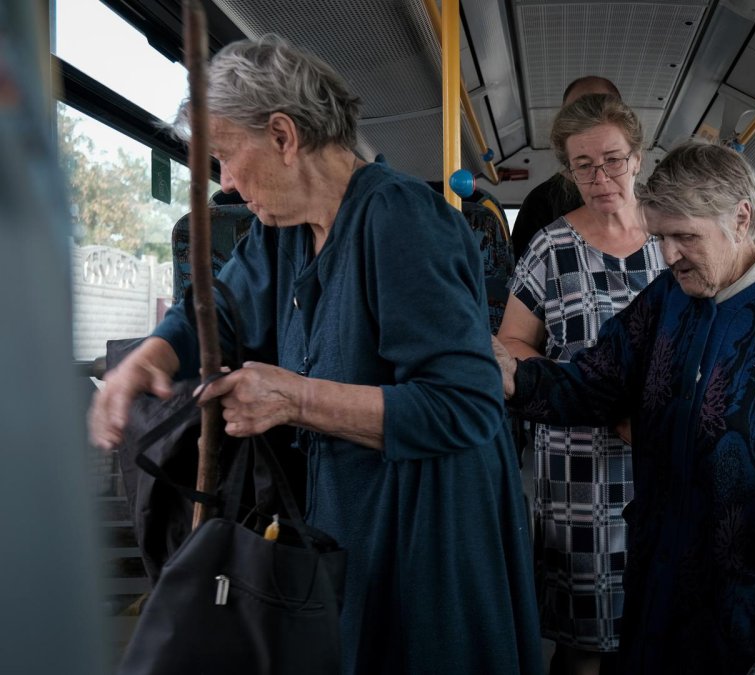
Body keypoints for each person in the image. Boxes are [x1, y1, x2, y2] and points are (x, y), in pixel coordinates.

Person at [88, 35, 542, 675]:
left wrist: (294, 399)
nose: (226, 182)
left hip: (427, 526)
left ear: (283, 135)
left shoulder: (399, 220)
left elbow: (466, 404)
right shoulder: (283, 231)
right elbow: (218, 309)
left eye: (225, 157)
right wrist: (155, 355)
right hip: (345, 510)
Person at [493, 141, 755, 674]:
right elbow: (597, 380)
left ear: (741, 218)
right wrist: (517, 378)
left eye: (685, 236)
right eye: (660, 237)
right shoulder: (670, 295)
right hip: (665, 565)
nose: (668, 255)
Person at [497, 93, 666, 675]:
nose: (600, 178)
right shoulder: (550, 247)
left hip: (663, 453)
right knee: (583, 642)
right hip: (576, 465)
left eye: (613, 160)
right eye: (584, 165)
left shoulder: (673, 236)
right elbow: (512, 344)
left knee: (662, 624)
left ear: (637, 158)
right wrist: (592, 395)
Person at [510, 76, 622, 262]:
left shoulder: (648, 204)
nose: (591, 119)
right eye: (577, 111)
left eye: (601, 107)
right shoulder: (540, 202)